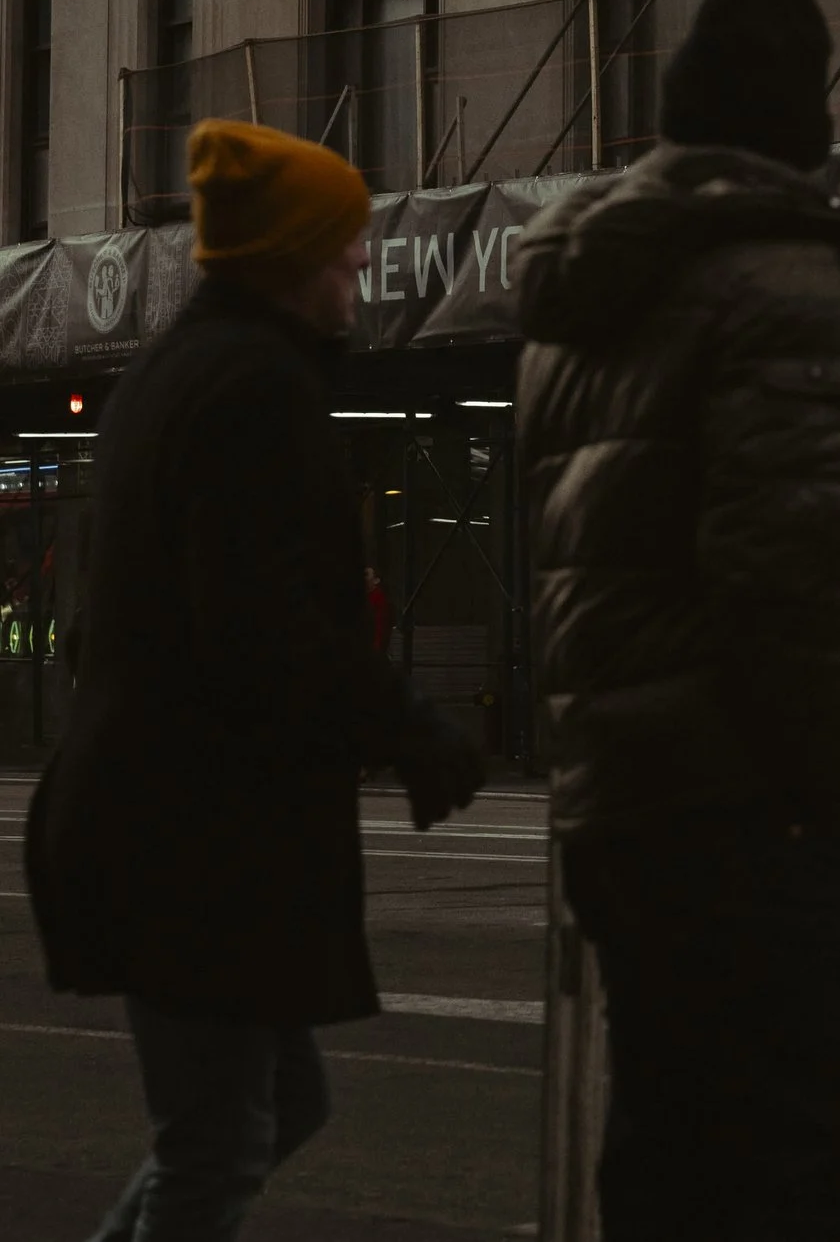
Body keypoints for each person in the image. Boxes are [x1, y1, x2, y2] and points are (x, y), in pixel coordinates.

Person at [25, 119, 484, 1240]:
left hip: (160, 824)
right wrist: (415, 729)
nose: (361, 267)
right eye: (345, 248)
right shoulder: (252, 392)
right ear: (289, 258)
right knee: (222, 1141)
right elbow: (269, 626)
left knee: (264, 1113)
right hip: (193, 839)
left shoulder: (177, 375)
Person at [517, 0, 840, 1242]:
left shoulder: (584, 299)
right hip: (743, 796)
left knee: (672, 1157)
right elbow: (783, 569)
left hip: (618, 796)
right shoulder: (782, 283)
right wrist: (826, 776)